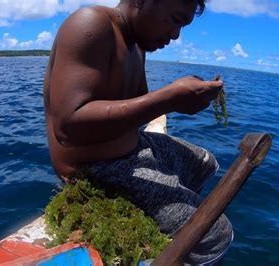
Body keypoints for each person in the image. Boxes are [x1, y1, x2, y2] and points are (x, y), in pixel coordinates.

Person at [43, 0, 233, 264]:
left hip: (133, 147)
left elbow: (136, 104)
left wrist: (186, 94)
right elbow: (68, 126)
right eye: (175, 19)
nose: (176, 35)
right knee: (216, 234)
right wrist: (171, 98)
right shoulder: (90, 24)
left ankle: (169, 217)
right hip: (96, 169)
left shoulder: (136, 46)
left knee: (204, 161)